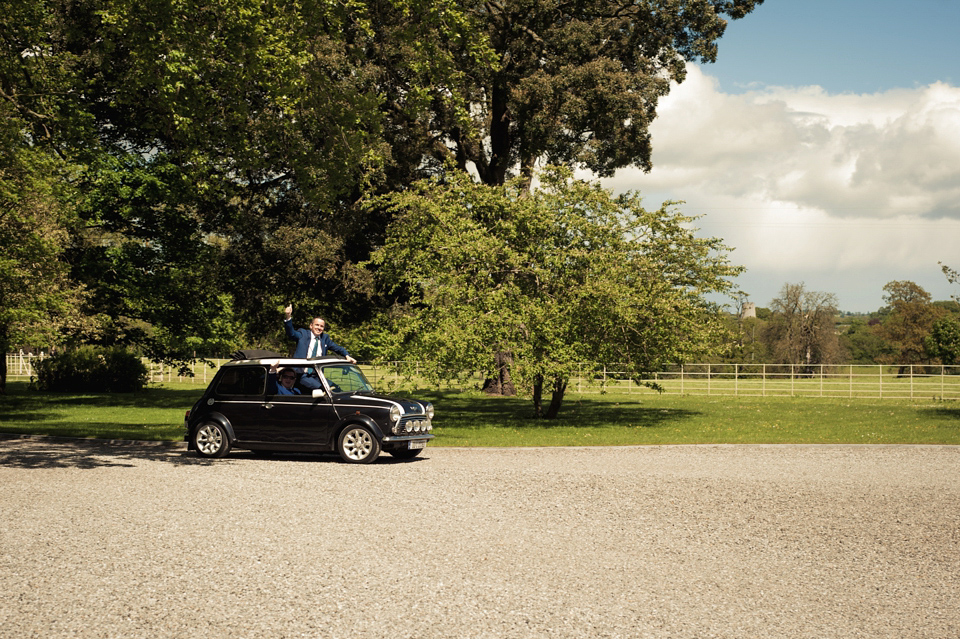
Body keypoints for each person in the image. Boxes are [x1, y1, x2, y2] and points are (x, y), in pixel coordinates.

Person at [282, 304, 356, 389]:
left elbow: (338, 348)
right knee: (323, 389)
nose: (319, 328)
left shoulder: (325, 338)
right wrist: (288, 316)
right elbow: (291, 333)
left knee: (336, 389)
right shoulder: (303, 334)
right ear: (311, 326)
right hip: (302, 375)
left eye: (321, 326)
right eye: (317, 325)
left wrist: (347, 355)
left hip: (317, 375)